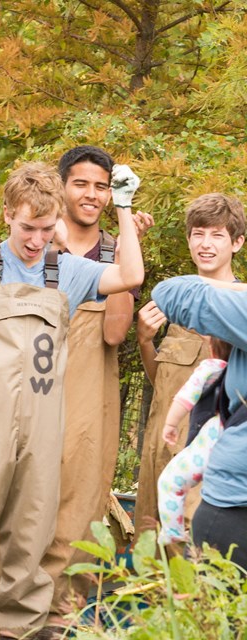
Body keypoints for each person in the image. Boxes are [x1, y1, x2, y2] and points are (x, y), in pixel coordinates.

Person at [0, 136, 144, 639]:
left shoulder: (68, 272)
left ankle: (24, 630)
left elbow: (131, 273)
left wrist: (124, 209)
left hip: (39, 433)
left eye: (45, 229)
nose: (36, 240)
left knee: (30, 546)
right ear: (7, 216)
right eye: (26, 228)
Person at [134, 193, 245, 540]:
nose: (206, 244)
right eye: (199, 234)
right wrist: (145, 341)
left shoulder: (238, 309)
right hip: (160, 445)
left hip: (206, 452)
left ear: (237, 243)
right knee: (151, 545)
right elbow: (165, 382)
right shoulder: (177, 307)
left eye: (217, 235)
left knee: (196, 549)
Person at [152, 273, 247, 571]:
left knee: (171, 481)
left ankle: (171, 531)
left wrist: (234, 287)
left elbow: (169, 292)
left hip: (232, 504)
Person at [157, 337, 231, 545]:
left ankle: (172, 531)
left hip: (213, 437)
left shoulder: (211, 368)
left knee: (170, 481)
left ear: (211, 349)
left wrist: (170, 424)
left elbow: (186, 397)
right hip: (235, 440)